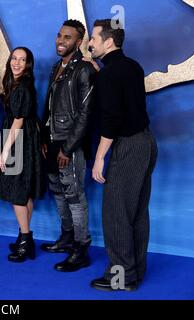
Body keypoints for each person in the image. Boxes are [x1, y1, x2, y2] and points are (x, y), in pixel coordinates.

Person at [88, 19, 158, 291]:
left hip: (128, 147)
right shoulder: (131, 66)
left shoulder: (110, 74)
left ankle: (120, 278)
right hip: (147, 143)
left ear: (108, 41)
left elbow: (112, 119)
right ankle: (134, 273)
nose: (89, 43)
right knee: (137, 213)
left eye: (93, 37)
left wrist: (99, 157)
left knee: (116, 214)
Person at [40, 20, 96, 272]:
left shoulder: (84, 69)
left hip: (69, 144)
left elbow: (86, 114)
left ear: (78, 42)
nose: (61, 40)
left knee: (74, 196)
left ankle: (81, 248)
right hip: (52, 140)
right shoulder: (57, 67)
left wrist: (68, 148)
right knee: (58, 192)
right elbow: (50, 106)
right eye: (59, 35)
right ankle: (66, 237)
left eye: (68, 37)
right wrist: (44, 138)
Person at [0, 47, 45, 262]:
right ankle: (24, 238)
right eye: (14, 58)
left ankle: (25, 241)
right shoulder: (17, 84)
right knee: (25, 191)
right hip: (27, 139)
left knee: (18, 191)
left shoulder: (21, 88)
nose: (16, 63)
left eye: (22, 60)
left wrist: (4, 151)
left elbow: (18, 121)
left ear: (28, 65)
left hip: (19, 141)